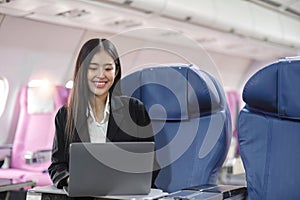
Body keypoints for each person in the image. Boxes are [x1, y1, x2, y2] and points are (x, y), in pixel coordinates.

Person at [48, 38, 158, 191]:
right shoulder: (65, 115)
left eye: (108, 69)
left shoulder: (134, 110)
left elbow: (150, 163)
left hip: (126, 195)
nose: (101, 75)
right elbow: (57, 165)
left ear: (116, 71)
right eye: (93, 68)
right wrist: (70, 179)